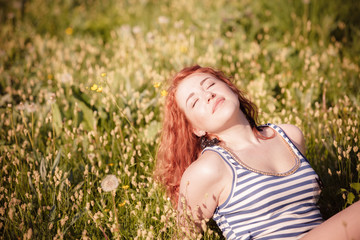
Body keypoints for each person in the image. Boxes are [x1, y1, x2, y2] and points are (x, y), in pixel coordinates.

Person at [154, 65, 360, 239]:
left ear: (231, 88)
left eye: (210, 85)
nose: (207, 95)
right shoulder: (208, 169)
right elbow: (185, 235)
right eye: (195, 102)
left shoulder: (289, 136)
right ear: (196, 129)